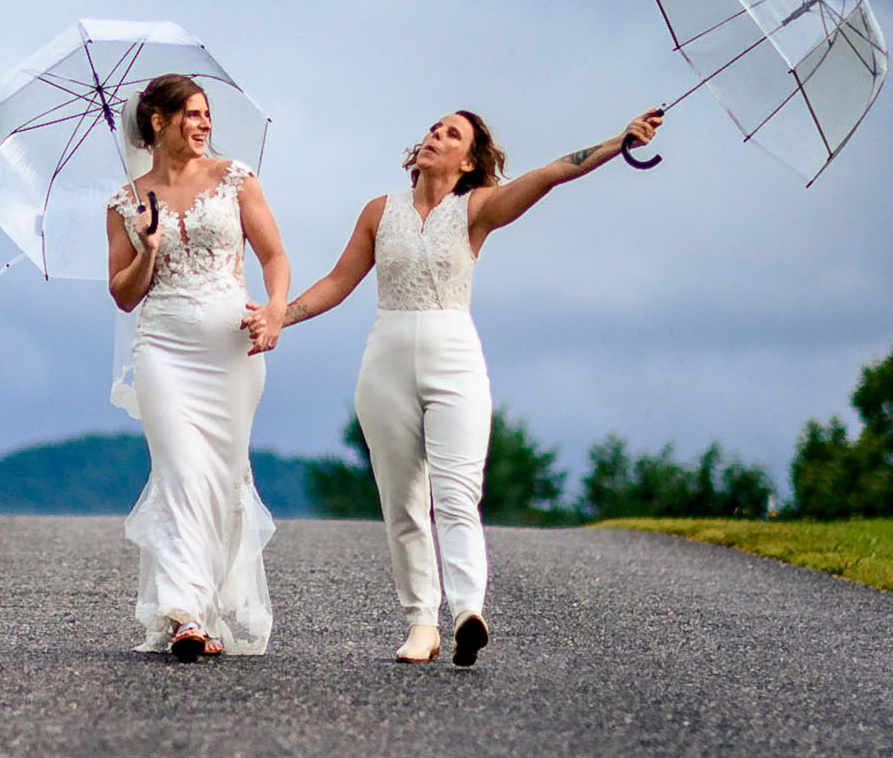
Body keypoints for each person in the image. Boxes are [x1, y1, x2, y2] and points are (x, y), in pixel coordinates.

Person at [273, 106, 662, 666]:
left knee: (456, 493)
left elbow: (550, 172)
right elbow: (338, 282)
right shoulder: (380, 212)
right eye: (433, 128)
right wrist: (277, 316)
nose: (435, 135)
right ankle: (420, 624)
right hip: (385, 362)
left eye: (451, 134)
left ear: (470, 159)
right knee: (403, 501)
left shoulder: (476, 208)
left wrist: (614, 143)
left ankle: (467, 613)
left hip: (454, 358)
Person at [105, 73, 291, 662]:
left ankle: (204, 608)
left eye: (206, 114)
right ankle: (185, 614)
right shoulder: (124, 202)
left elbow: (275, 256)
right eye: (191, 113)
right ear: (157, 122)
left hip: (231, 352)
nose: (204, 124)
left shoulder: (236, 180)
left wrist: (276, 311)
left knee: (219, 477)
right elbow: (123, 294)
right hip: (162, 349)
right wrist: (150, 246)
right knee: (182, 471)